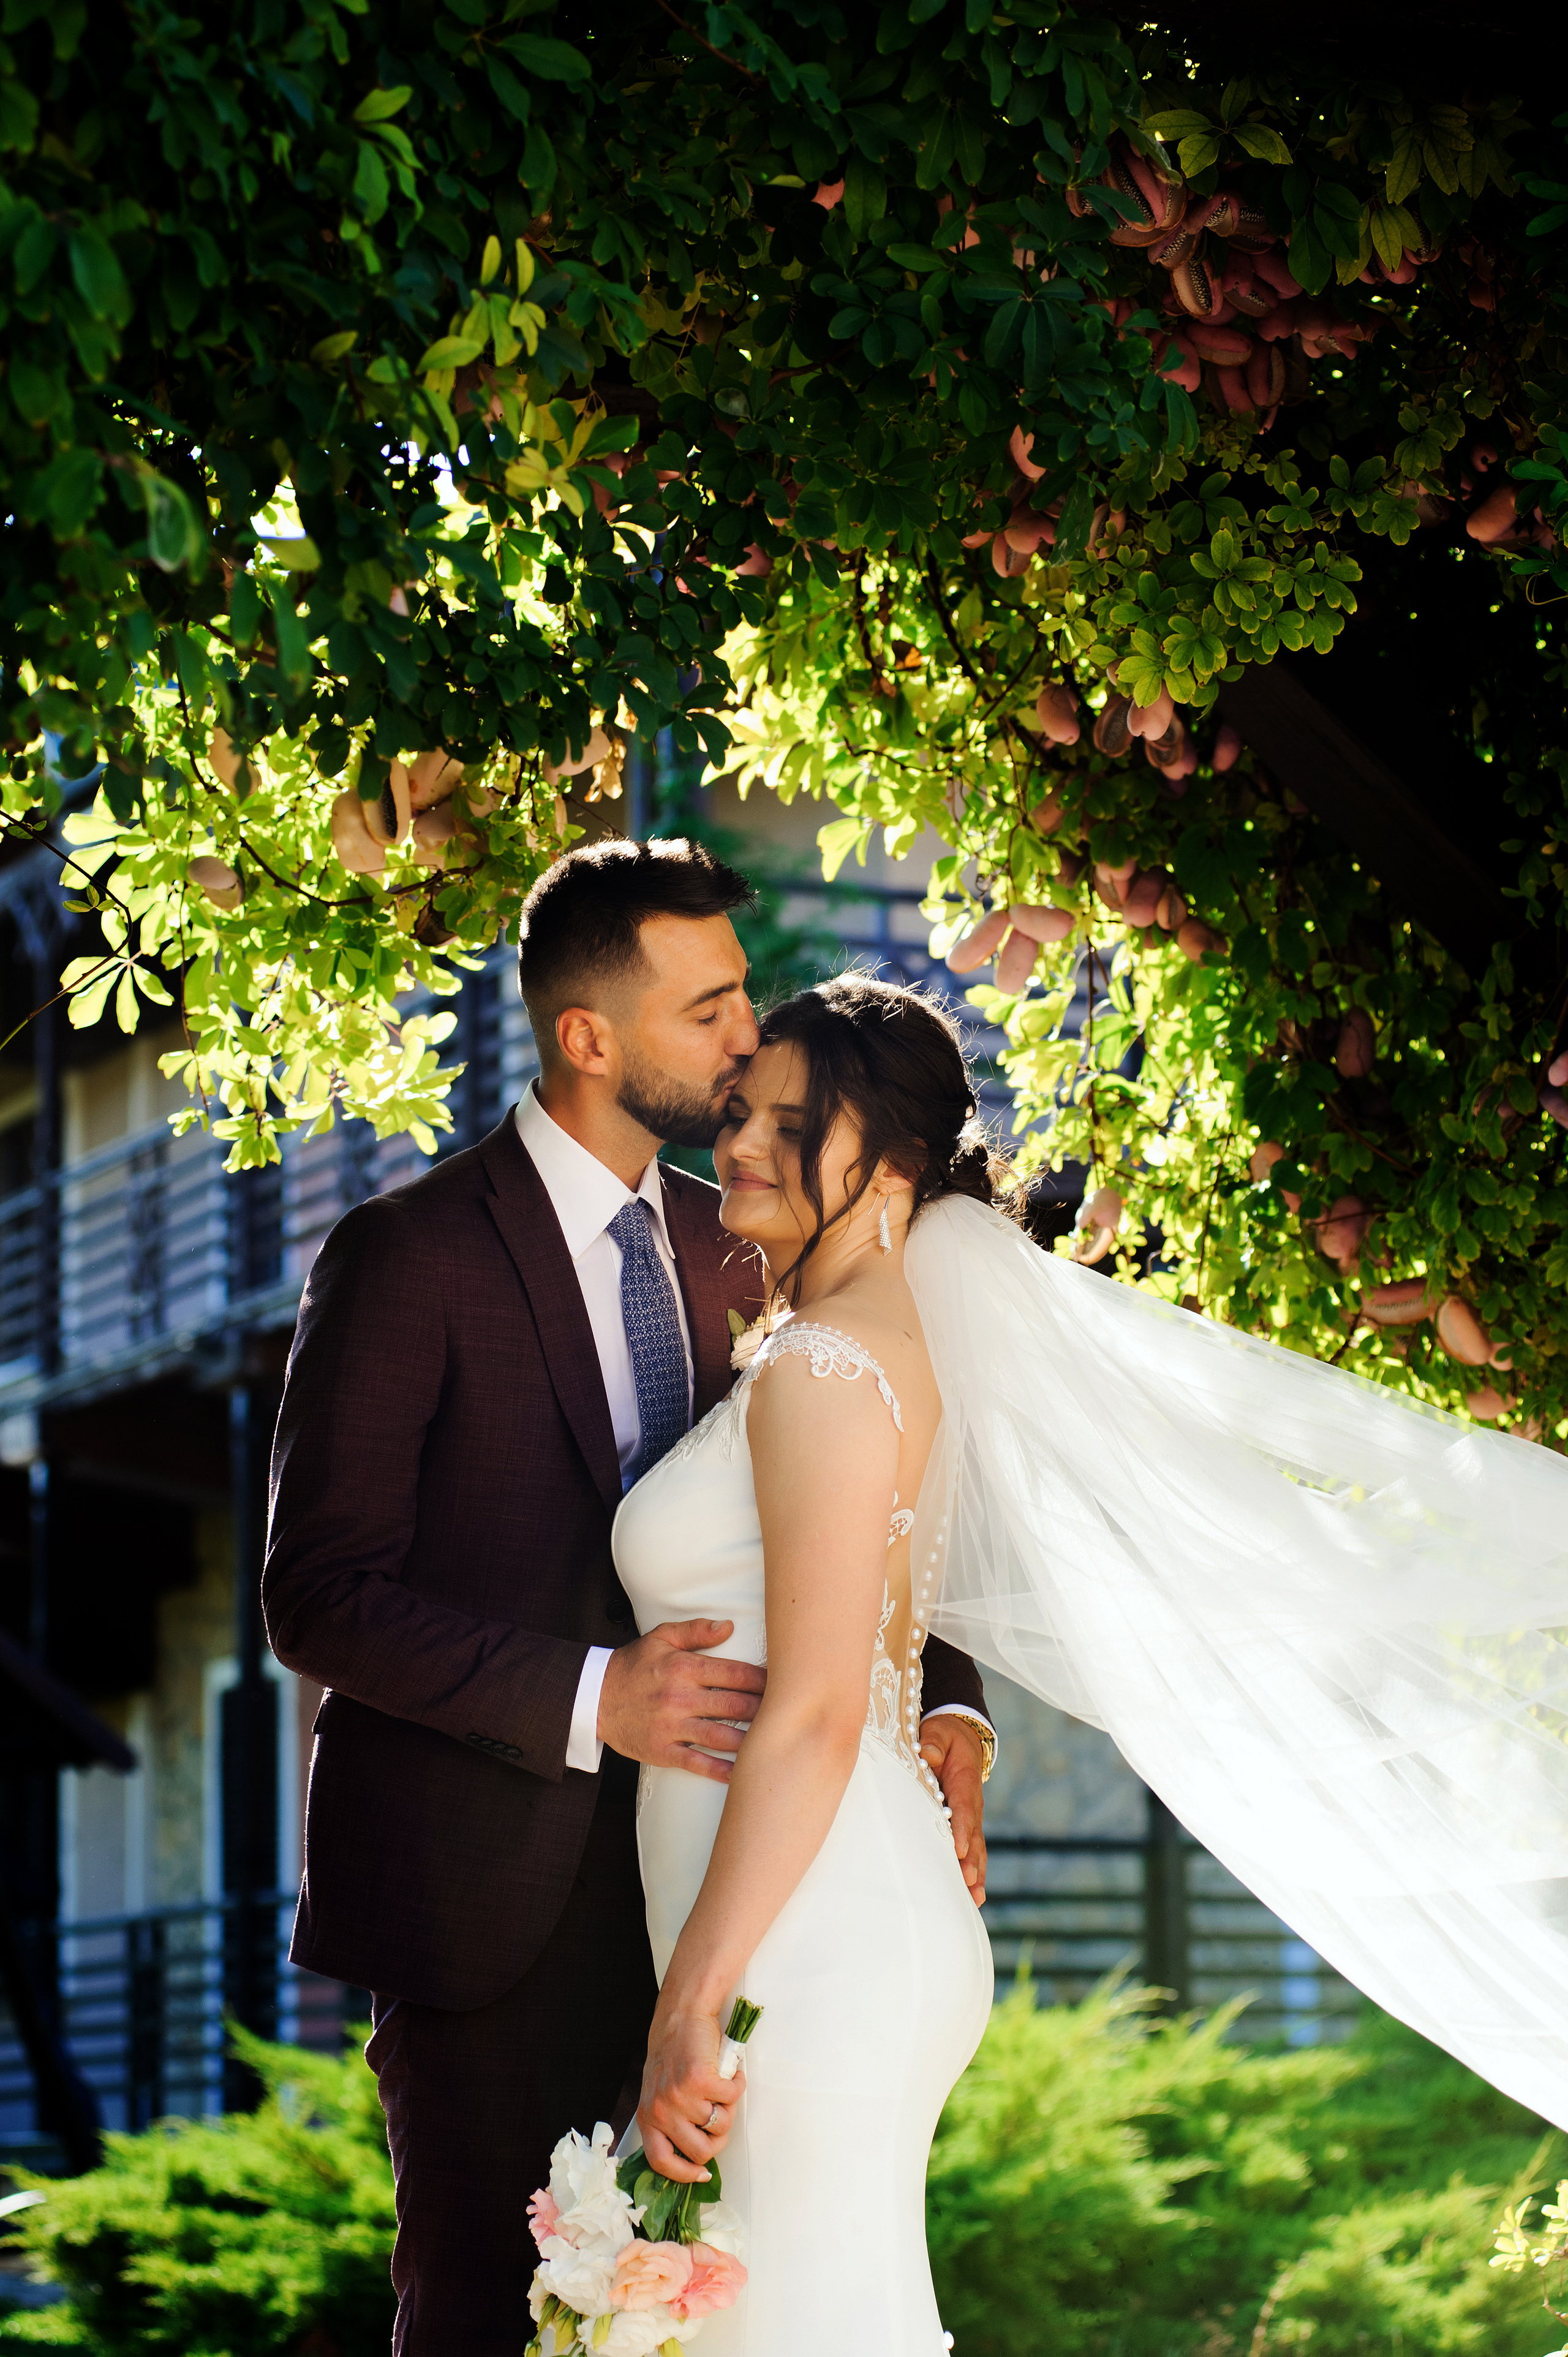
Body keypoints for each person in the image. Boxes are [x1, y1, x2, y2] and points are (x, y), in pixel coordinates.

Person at [616, 972, 1568, 2357]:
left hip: (803, 1934)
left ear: (883, 1166)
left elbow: (818, 1709)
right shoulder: (873, 1345)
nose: (738, 1146)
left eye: (787, 1122)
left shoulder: (826, 1366)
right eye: (737, 1111)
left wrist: (690, 2003)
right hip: (837, 1906)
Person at [262, 841, 995, 2356]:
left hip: (739, 1892)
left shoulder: (757, 1245)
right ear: (590, 1037)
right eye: (710, 1007)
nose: (746, 1035)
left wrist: (941, 1701)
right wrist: (601, 1696)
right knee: (489, 2318)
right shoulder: (403, 1256)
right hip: (491, 1906)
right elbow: (316, 1594)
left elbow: (881, 1476)